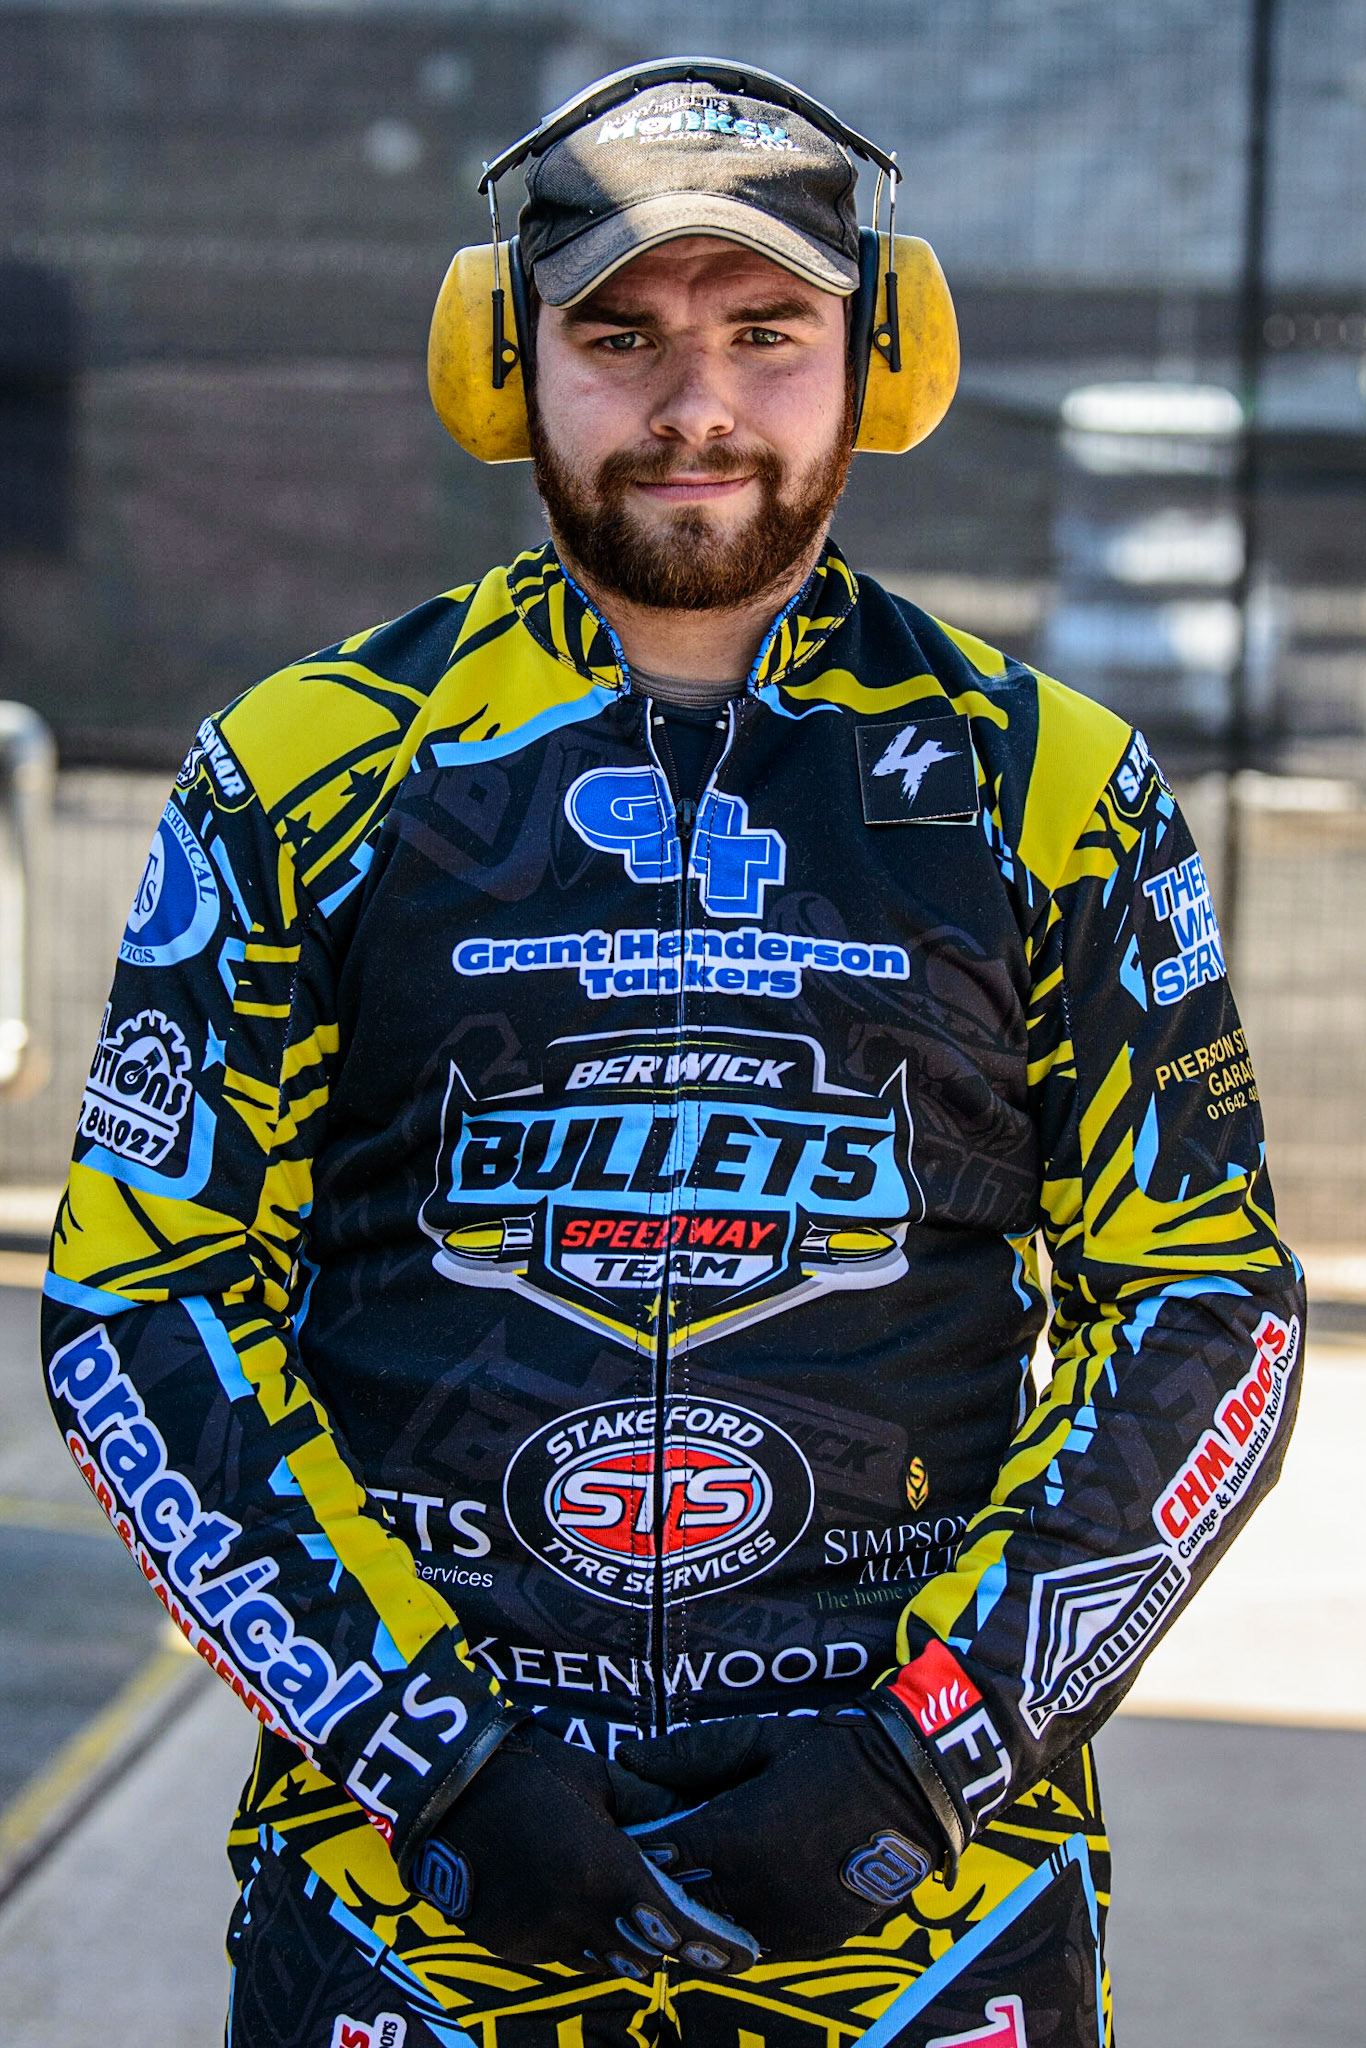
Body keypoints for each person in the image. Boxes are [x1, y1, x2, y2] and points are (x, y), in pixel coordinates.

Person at [43, 56, 1303, 2048]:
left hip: (925, 1936)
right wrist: (432, 1756)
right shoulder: (298, 772)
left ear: (880, 358)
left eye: (765, 333)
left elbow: (1205, 1310)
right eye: (616, 336)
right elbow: (135, 1306)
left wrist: (925, 1760)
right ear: (498, 360)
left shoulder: (1047, 790)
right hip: (411, 1927)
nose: (693, 405)